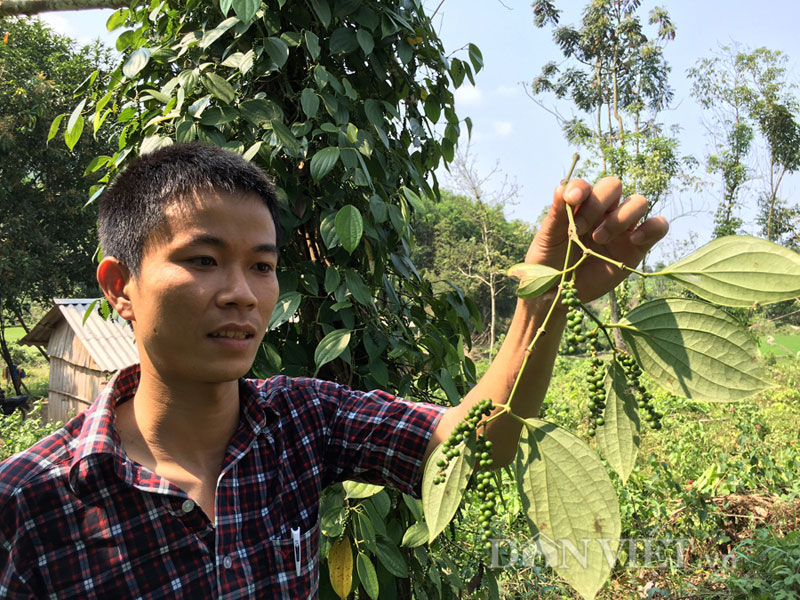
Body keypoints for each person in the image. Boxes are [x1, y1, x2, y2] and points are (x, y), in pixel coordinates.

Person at [0, 143, 667, 598]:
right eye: (203, 260)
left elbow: (470, 451)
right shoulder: (29, 505)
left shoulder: (303, 420)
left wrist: (544, 302)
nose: (242, 293)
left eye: (262, 266)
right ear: (120, 286)